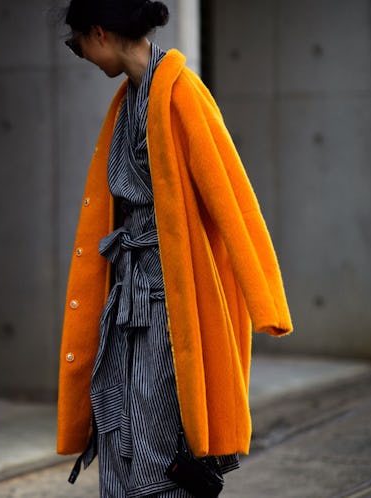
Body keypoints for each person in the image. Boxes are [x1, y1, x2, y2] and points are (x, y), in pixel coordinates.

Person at [55, 1, 294, 497]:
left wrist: (265, 301)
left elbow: (232, 196)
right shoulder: (130, 98)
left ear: (99, 33)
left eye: (76, 44)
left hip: (168, 305)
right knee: (117, 423)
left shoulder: (183, 92)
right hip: (128, 299)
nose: (81, 55)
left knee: (158, 441)